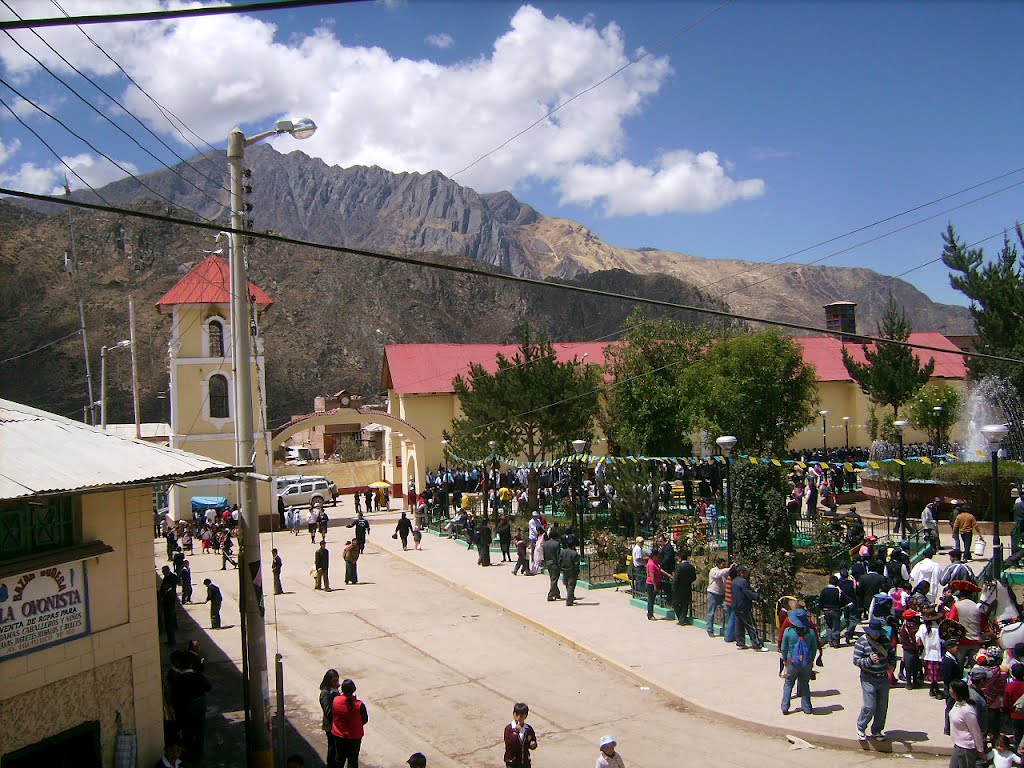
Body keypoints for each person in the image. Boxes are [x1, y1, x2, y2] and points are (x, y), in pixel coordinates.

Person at [853, 617, 896, 741]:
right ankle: (861, 727)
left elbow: (892, 654)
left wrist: (892, 665)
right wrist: (869, 660)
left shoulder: (885, 640)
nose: (876, 635)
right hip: (868, 678)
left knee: (882, 706)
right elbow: (856, 660)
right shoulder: (861, 642)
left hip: (883, 677)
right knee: (869, 705)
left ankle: (877, 730)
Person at [780, 608, 817, 715]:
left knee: (788, 684)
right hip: (806, 663)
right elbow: (814, 649)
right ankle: (807, 708)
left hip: (792, 663)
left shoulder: (788, 632)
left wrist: (785, 661)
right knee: (805, 685)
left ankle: (785, 706)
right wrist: (811, 660)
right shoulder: (810, 633)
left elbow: (784, 648)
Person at [948, 678, 986, 767]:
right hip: (958, 745)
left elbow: (975, 731)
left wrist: (980, 750)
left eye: (951, 689)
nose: (949, 691)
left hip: (966, 748)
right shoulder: (957, 704)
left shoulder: (967, 710)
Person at [331, 678, 368, 768]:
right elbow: (365, 719)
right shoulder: (359, 705)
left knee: (339, 759)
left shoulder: (335, 700)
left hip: (339, 736)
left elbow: (333, 715)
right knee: (352, 761)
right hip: (354, 737)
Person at [732, 565, 767, 651]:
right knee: (751, 625)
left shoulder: (734, 581)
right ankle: (756, 644)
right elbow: (749, 593)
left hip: (736, 605)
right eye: (746, 572)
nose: (748, 574)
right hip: (743, 606)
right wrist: (760, 599)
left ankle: (740, 643)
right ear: (741, 573)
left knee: (739, 625)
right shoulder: (743, 582)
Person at [503, 702, 537, 768]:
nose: (518, 718)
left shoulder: (528, 729)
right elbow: (509, 745)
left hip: (525, 762)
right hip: (513, 763)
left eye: (521, 716)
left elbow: (532, 741)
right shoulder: (509, 729)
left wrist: (533, 745)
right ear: (513, 714)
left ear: (525, 716)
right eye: (516, 715)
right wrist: (515, 733)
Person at [670, 550, 697, 625]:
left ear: (680, 558)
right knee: (685, 604)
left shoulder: (679, 567)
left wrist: (674, 587)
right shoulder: (691, 567)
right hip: (687, 587)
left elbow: (676, 578)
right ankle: (682, 618)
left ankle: (681, 618)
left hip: (678, 588)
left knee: (675, 603)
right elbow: (694, 577)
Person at [319, 668, 340, 764]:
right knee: (332, 749)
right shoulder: (325, 693)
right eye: (334, 681)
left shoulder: (335, 691)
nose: (336, 683)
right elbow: (328, 711)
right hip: (331, 726)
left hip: (337, 725)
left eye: (337, 680)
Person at [705, 556, 729, 637]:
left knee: (727, 610)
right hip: (713, 594)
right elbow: (718, 575)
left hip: (722, 594)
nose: (724, 565)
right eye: (722, 564)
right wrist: (729, 569)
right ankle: (710, 629)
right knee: (711, 613)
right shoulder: (713, 571)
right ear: (718, 564)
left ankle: (727, 628)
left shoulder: (724, 571)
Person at [645, 547, 669, 621]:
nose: (658, 558)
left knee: (667, 587)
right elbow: (652, 576)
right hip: (651, 584)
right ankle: (650, 614)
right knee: (651, 599)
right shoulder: (651, 564)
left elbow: (659, 569)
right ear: (654, 556)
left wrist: (668, 574)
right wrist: (655, 586)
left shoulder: (655, 562)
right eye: (657, 556)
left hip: (657, 582)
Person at [1004, 662, 1024, 750]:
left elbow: (1006, 703)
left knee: (1018, 738)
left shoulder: (1010, 687)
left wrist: (1008, 714)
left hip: (1015, 717)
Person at [159, 565, 179, 646]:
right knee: (170, 620)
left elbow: (175, 582)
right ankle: (172, 637)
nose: (162, 573)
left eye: (163, 571)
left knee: (169, 623)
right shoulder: (166, 578)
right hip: (167, 601)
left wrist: (168, 587)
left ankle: (172, 641)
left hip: (169, 602)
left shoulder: (172, 577)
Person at [559, 538, 581, 606]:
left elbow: (560, 560)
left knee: (567, 584)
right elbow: (576, 564)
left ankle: (570, 597)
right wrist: (577, 571)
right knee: (571, 585)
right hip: (572, 571)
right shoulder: (574, 553)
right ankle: (569, 600)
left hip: (564, 570)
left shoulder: (562, 552)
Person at [542, 531, 562, 601]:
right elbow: (558, 555)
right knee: (554, 579)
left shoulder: (545, 544)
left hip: (548, 563)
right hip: (554, 564)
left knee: (553, 578)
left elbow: (544, 555)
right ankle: (550, 595)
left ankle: (557, 593)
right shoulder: (556, 544)